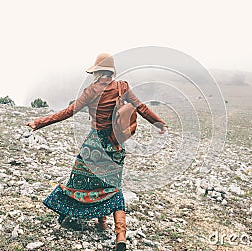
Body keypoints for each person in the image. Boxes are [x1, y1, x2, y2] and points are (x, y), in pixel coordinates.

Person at [26, 53, 167, 251]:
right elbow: (141, 107)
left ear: (97, 72)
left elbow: (68, 112)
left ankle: (75, 216)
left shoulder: (90, 91)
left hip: (93, 146)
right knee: (112, 187)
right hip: (114, 146)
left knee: (78, 183)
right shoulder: (122, 87)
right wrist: (158, 123)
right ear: (111, 71)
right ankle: (119, 236)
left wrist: (38, 123)